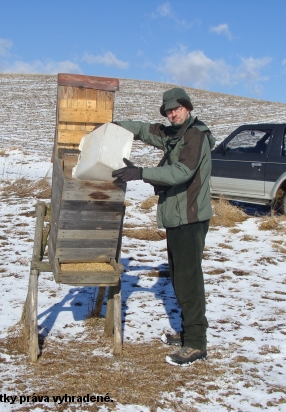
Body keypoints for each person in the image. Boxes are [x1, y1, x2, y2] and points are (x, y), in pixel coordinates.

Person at [111, 87, 215, 366]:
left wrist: (141, 173)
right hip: (177, 217)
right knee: (181, 277)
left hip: (190, 218)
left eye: (177, 108)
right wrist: (113, 127)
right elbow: (145, 131)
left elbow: (182, 172)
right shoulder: (174, 134)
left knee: (188, 279)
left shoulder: (195, 135)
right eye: (168, 110)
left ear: (187, 108)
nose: (173, 113)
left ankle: (195, 343)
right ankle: (188, 332)